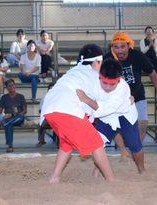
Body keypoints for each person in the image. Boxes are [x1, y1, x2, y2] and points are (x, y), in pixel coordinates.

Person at [40, 44, 115, 183]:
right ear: (97, 61)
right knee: (97, 143)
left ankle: (55, 177)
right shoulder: (95, 75)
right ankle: (111, 179)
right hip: (66, 108)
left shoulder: (72, 71)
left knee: (66, 144)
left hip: (48, 108)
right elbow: (100, 104)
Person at [77, 59, 145, 174]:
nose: (108, 87)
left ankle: (141, 169)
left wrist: (85, 99)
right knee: (96, 143)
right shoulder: (93, 81)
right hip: (106, 118)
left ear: (118, 81)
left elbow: (103, 109)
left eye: (112, 84)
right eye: (104, 83)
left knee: (134, 145)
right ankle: (98, 170)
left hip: (125, 115)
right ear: (99, 77)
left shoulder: (122, 88)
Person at [105, 31, 157, 143]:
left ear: (129, 45)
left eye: (123, 47)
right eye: (116, 47)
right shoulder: (108, 58)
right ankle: (126, 148)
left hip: (137, 95)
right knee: (118, 125)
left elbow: (152, 73)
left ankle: (136, 148)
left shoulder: (138, 56)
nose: (120, 50)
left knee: (142, 123)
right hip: (117, 98)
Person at [0, 79, 27, 153]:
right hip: (8, 119)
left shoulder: (21, 96)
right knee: (8, 125)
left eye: (13, 85)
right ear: (7, 88)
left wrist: (12, 114)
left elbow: (25, 111)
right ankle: (10, 145)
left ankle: (4, 122)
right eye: (9, 86)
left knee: (20, 117)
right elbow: (0, 110)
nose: (12, 87)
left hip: (18, 118)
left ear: (15, 85)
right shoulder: (4, 97)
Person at [37, 82, 56, 147]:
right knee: (40, 123)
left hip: (57, 118)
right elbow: (40, 110)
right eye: (50, 89)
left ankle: (60, 143)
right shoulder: (44, 98)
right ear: (48, 90)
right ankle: (41, 140)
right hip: (47, 118)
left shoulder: (59, 97)